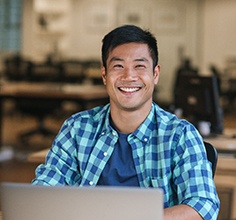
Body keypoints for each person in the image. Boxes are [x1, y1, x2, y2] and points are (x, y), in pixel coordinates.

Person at [32, 25, 220, 220]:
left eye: (139, 66)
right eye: (118, 66)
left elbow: (203, 206)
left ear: (155, 74)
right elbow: (43, 192)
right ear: (104, 75)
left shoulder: (180, 135)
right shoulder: (76, 129)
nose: (129, 76)